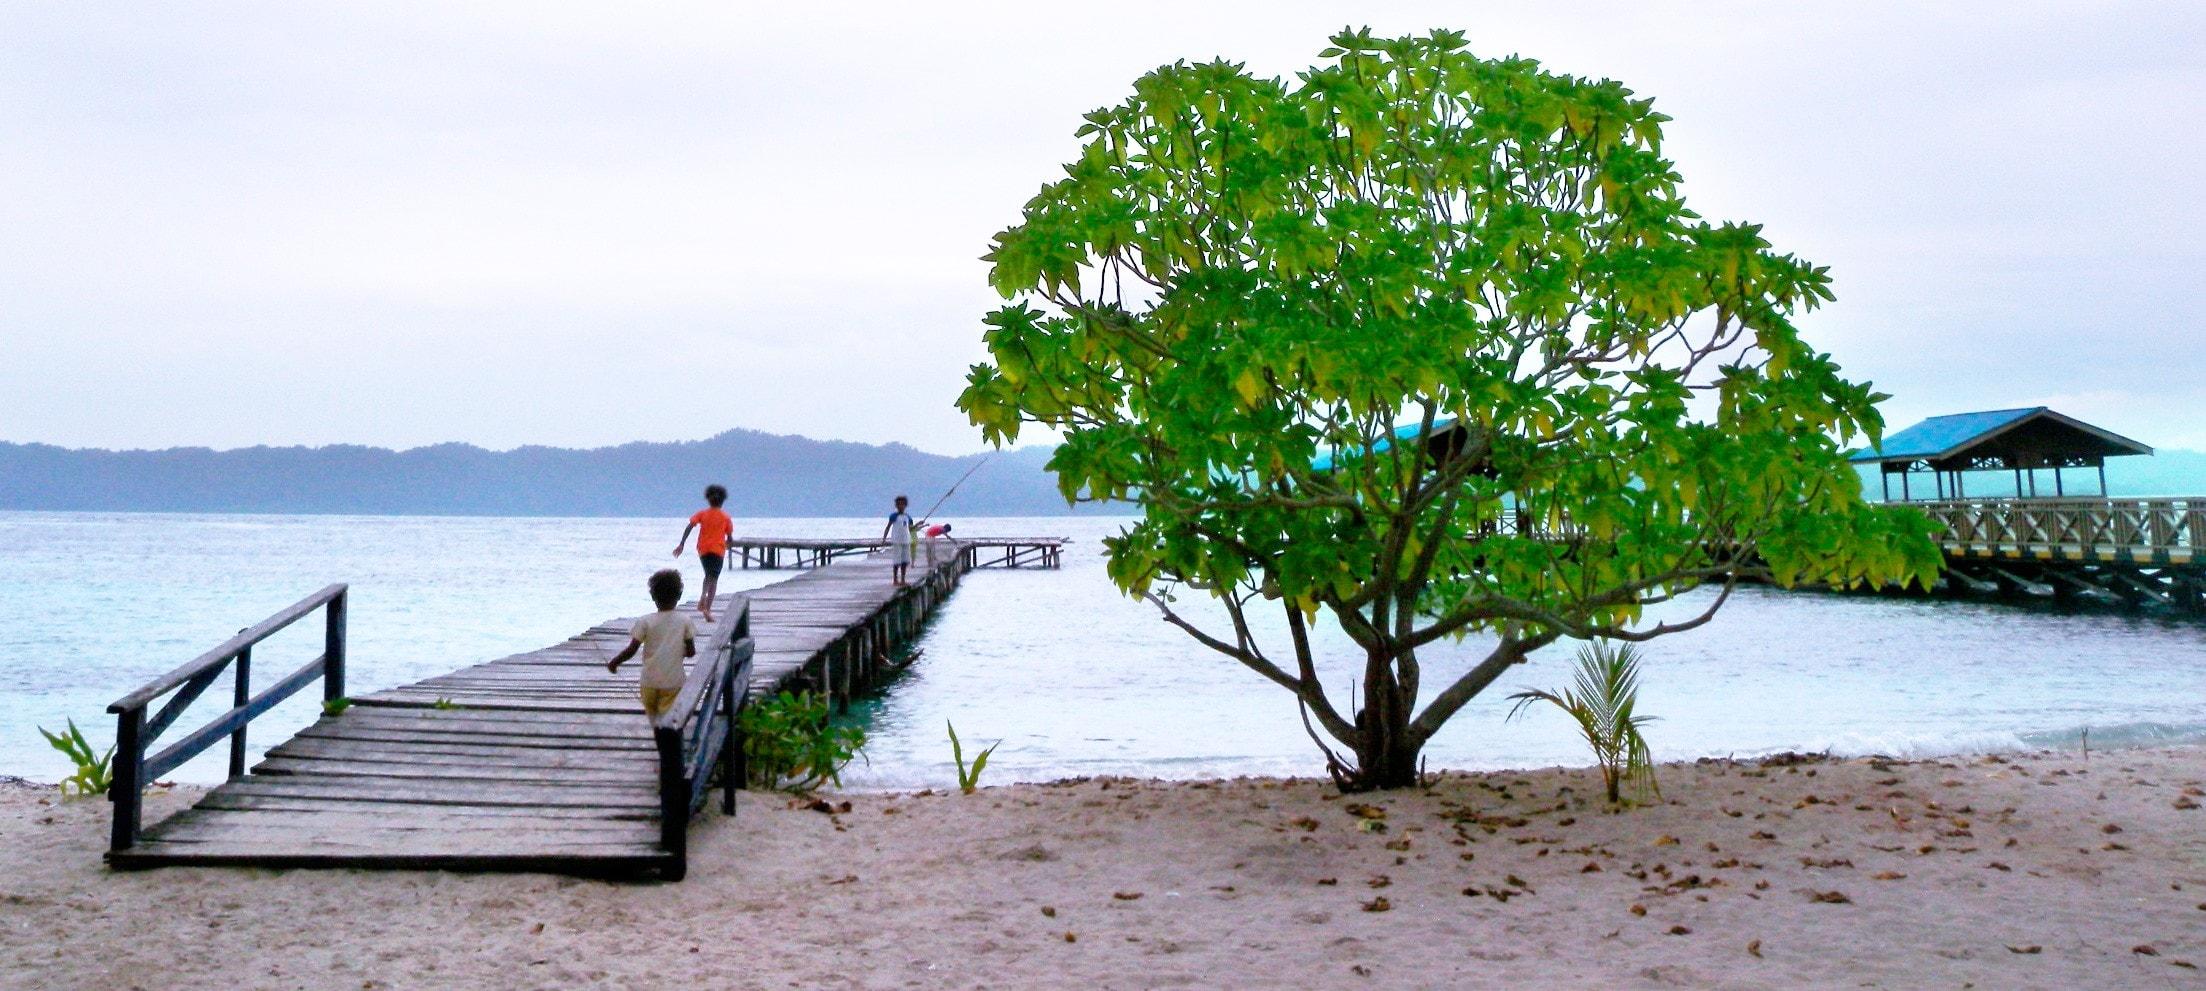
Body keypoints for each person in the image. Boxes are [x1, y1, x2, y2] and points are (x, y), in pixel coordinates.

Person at [605, 569, 696, 721]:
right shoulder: (685, 621)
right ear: (679, 595)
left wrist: (615, 662)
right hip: (674, 682)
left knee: (656, 721)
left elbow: (631, 649)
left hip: (649, 683)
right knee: (671, 720)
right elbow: (691, 652)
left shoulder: (645, 622)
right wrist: (677, 651)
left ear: (653, 596)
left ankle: (661, 739)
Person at [674, 484, 733, 624]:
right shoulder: (726, 517)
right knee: (714, 578)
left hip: (703, 550)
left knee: (708, 574)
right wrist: (729, 545)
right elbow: (729, 537)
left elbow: (689, 527)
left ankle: (702, 597)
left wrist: (682, 543)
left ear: (708, 500)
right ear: (723, 501)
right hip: (718, 550)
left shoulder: (702, 514)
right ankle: (707, 608)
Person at [881, 494, 914, 585]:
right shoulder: (893, 516)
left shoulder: (908, 517)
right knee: (896, 561)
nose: (901, 506)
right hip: (896, 541)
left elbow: (911, 528)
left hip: (906, 541)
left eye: (902, 504)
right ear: (896, 505)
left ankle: (903, 579)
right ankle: (895, 579)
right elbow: (888, 527)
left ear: (905, 505)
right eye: (899, 504)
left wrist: (919, 524)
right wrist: (884, 539)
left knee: (905, 561)